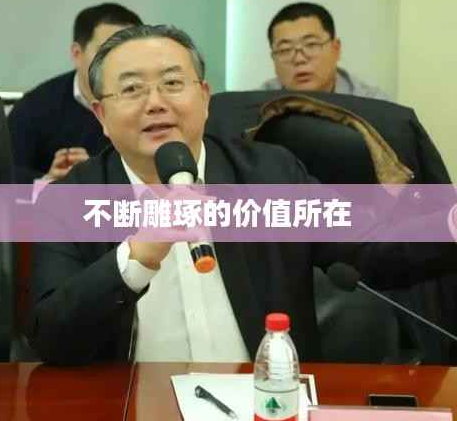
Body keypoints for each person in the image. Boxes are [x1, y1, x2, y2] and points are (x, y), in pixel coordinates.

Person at [26, 24, 455, 366]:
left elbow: (375, 245)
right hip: (126, 417)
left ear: (204, 97)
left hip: (266, 411)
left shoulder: (270, 176)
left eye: (173, 83)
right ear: (101, 114)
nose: (155, 103)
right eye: (132, 89)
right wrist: (137, 256)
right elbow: (52, 338)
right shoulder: (69, 200)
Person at [8, 3, 142, 183]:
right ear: (77, 54)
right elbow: (1, 175)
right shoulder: (35, 107)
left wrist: (94, 174)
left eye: (129, 52)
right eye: (106, 51)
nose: (120, 62)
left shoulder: (150, 105)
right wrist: (50, 182)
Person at [262, 2, 389, 100]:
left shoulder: (374, 104)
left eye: (311, 44)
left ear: (336, 50)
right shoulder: (257, 106)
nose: (299, 59)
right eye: (285, 50)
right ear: (273, 59)